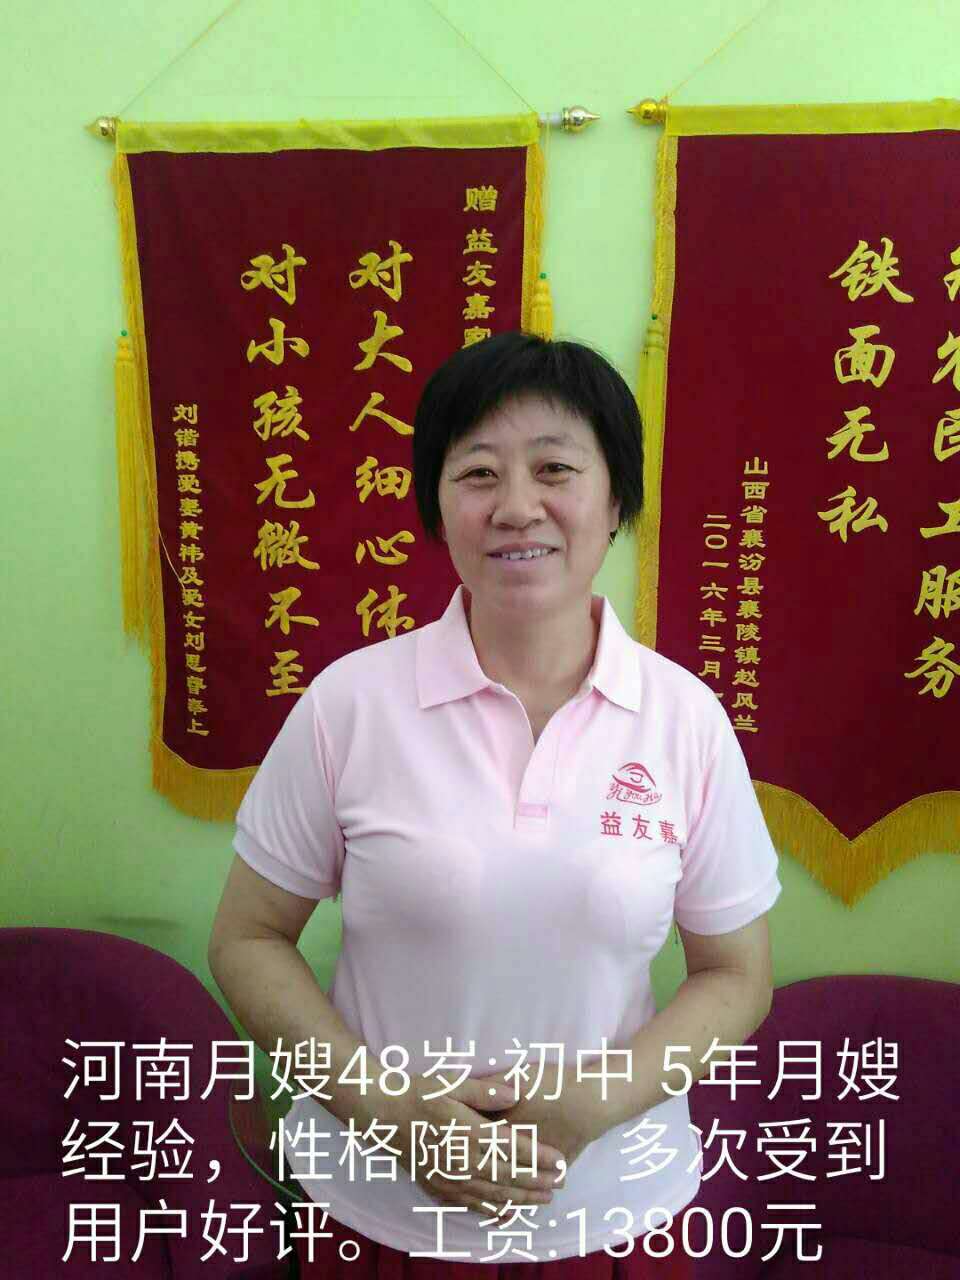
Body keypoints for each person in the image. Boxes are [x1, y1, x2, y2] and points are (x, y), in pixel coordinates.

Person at [209, 331, 782, 1278]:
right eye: (478, 473)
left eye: (555, 468)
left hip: (612, 1210)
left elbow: (737, 974)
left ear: (616, 500)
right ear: (439, 506)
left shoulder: (684, 719)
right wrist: (387, 1114)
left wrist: (594, 1103)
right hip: (376, 1208)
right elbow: (247, 937)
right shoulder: (351, 704)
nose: (517, 506)